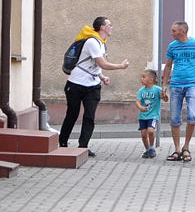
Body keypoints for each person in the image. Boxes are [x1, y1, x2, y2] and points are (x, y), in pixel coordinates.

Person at [58, 16, 130, 156]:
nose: (112, 27)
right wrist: (121, 66)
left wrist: (102, 77)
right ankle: (63, 143)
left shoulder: (102, 43)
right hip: (76, 84)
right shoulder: (92, 41)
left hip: (93, 85)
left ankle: (83, 147)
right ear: (102, 27)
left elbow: (95, 66)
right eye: (110, 24)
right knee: (72, 114)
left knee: (89, 116)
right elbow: (102, 63)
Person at [160, 21, 195, 162]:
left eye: (174, 30)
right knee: (175, 118)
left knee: (192, 116)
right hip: (176, 85)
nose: (171, 33)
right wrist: (164, 85)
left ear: (182, 31)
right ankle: (177, 149)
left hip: (192, 84)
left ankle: (186, 147)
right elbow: (168, 66)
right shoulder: (172, 46)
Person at [135, 68, 161, 158]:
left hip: (153, 115)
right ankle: (147, 150)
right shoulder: (141, 91)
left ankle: (151, 147)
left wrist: (164, 96)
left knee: (150, 131)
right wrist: (140, 107)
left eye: (143, 77)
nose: (141, 79)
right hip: (143, 116)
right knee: (143, 134)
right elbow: (137, 101)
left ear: (151, 80)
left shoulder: (157, 89)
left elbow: (165, 98)